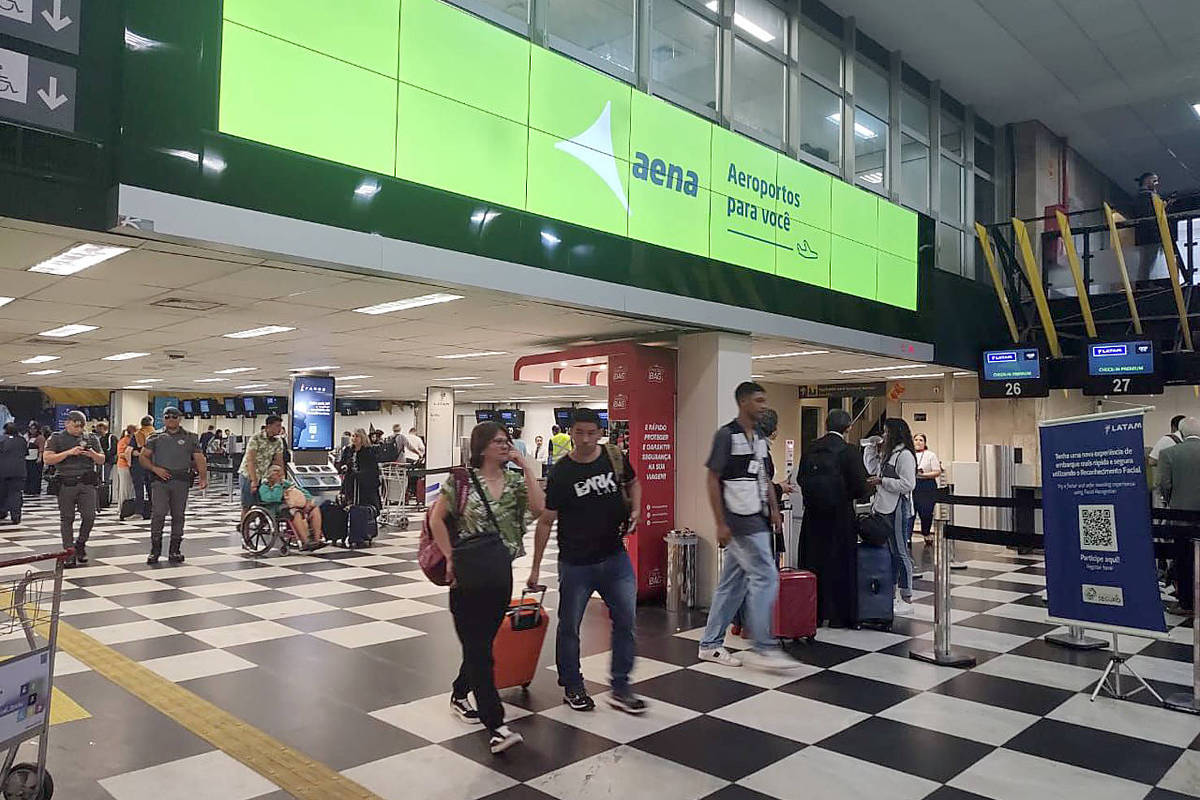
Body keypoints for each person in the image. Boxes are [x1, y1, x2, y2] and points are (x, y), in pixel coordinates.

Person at [430, 422, 545, 754]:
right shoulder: (462, 482)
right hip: (466, 574)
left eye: (507, 441)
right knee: (480, 648)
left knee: (481, 643)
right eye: (498, 441)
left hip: (499, 573)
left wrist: (528, 468)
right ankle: (495, 724)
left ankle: (459, 691)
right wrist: (449, 557)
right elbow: (438, 518)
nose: (505, 446)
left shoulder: (513, 483)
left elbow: (539, 509)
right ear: (482, 447)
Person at [530, 408, 646, 713]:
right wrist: (535, 567)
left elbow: (634, 482)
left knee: (626, 621)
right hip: (576, 562)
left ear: (599, 433)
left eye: (590, 433)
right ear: (571, 433)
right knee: (570, 626)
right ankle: (572, 685)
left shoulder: (614, 456)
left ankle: (620, 686)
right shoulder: (562, 472)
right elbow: (546, 521)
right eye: (578, 433)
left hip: (614, 556)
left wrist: (636, 509)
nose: (584, 439)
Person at [696, 382, 798, 671]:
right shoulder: (726, 436)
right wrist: (719, 523)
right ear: (743, 402)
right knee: (766, 576)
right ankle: (763, 646)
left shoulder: (758, 440)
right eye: (758, 400)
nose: (764, 405)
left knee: (732, 584)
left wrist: (775, 511)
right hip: (740, 522)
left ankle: (710, 644)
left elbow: (763, 479)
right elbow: (712, 479)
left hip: (757, 518)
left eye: (765, 400)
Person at [796, 409, 870, 629]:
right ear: (847, 428)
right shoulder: (849, 451)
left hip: (813, 518)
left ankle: (814, 613)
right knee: (840, 564)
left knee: (813, 562)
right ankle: (839, 616)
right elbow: (859, 487)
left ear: (826, 424)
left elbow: (801, 478)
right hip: (840, 517)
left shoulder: (810, 448)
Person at [865, 418, 918, 615]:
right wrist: (870, 448)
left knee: (900, 550)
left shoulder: (904, 456)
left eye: (887, 432)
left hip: (897, 508)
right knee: (889, 551)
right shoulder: (889, 455)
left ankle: (907, 595)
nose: (884, 436)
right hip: (883, 506)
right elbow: (871, 469)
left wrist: (883, 481)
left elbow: (908, 484)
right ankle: (893, 592)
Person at [141, 407, 208, 564]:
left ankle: (175, 550)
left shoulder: (190, 437)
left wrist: (203, 477)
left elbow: (199, 458)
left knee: (178, 515)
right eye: (167, 416)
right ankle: (155, 550)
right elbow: (143, 457)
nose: (170, 419)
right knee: (158, 514)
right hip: (160, 481)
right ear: (163, 419)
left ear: (180, 418)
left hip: (181, 481)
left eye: (174, 416)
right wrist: (154, 468)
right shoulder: (155, 436)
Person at [43, 411, 104, 568]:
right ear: (67, 423)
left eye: (82, 426)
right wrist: (69, 452)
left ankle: (80, 544)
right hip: (66, 483)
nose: (80, 429)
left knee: (89, 516)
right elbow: (47, 458)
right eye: (76, 425)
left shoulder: (91, 438)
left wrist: (91, 454)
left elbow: (102, 459)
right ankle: (69, 552)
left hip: (86, 483)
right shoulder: (56, 438)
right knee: (67, 518)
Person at [1160, 417, 1200, 613]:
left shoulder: (1168, 454)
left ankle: (1186, 602)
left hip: (1181, 519)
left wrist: (1173, 501)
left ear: (1181, 434)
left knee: (1183, 559)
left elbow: (1164, 486)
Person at [258, 465, 327, 551]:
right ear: (270, 476)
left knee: (315, 510)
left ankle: (317, 539)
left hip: (294, 505)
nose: (280, 476)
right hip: (277, 509)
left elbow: (302, 491)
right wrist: (277, 485)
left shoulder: (286, 483)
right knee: (296, 513)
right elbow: (274, 498)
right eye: (277, 474)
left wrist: (308, 501)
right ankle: (305, 542)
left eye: (280, 474)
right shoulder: (264, 487)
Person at [239, 415, 285, 510]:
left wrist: (281, 477)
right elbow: (250, 460)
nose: (280, 429)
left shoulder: (278, 441)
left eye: (280, 426)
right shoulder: (256, 438)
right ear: (268, 426)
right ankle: (244, 524)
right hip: (248, 474)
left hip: (264, 475)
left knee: (263, 504)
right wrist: (254, 481)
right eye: (277, 426)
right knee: (247, 505)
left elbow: (278, 461)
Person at [912, 433, 943, 548]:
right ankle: (907, 536)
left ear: (925, 443)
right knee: (910, 512)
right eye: (916, 440)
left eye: (921, 440)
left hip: (927, 485)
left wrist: (923, 475)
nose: (918, 442)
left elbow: (937, 471)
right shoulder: (909, 454)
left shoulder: (930, 455)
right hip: (913, 485)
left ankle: (926, 533)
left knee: (926, 512)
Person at [342, 428, 382, 510]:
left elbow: (372, 468)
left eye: (357, 436)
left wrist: (359, 474)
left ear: (362, 438)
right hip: (351, 481)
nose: (354, 438)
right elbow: (345, 463)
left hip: (365, 483)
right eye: (353, 436)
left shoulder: (368, 451)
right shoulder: (348, 450)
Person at [0, 423, 26, 525]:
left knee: (3, 493)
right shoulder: (22, 440)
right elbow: (25, 453)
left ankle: (2, 511)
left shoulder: (2, 440)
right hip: (19, 471)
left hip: (3, 471)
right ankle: (16, 516)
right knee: (16, 493)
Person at [130, 415, 156, 517]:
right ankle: (154, 511)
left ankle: (139, 512)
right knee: (152, 489)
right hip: (153, 465)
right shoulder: (156, 435)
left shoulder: (137, 435)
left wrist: (138, 453)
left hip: (138, 465)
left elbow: (131, 451)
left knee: (139, 489)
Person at [114, 424, 137, 517]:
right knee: (124, 489)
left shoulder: (132, 440)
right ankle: (122, 508)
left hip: (130, 466)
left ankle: (128, 508)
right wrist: (132, 454)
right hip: (124, 466)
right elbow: (120, 454)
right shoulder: (124, 441)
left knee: (129, 489)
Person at [23, 421, 44, 496]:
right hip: (27, 458)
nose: (32, 431)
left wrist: (39, 457)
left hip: (36, 459)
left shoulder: (40, 438)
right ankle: (27, 489)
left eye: (34, 429)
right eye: (31, 429)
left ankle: (34, 490)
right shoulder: (26, 436)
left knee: (35, 475)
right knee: (28, 474)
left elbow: (41, 449)